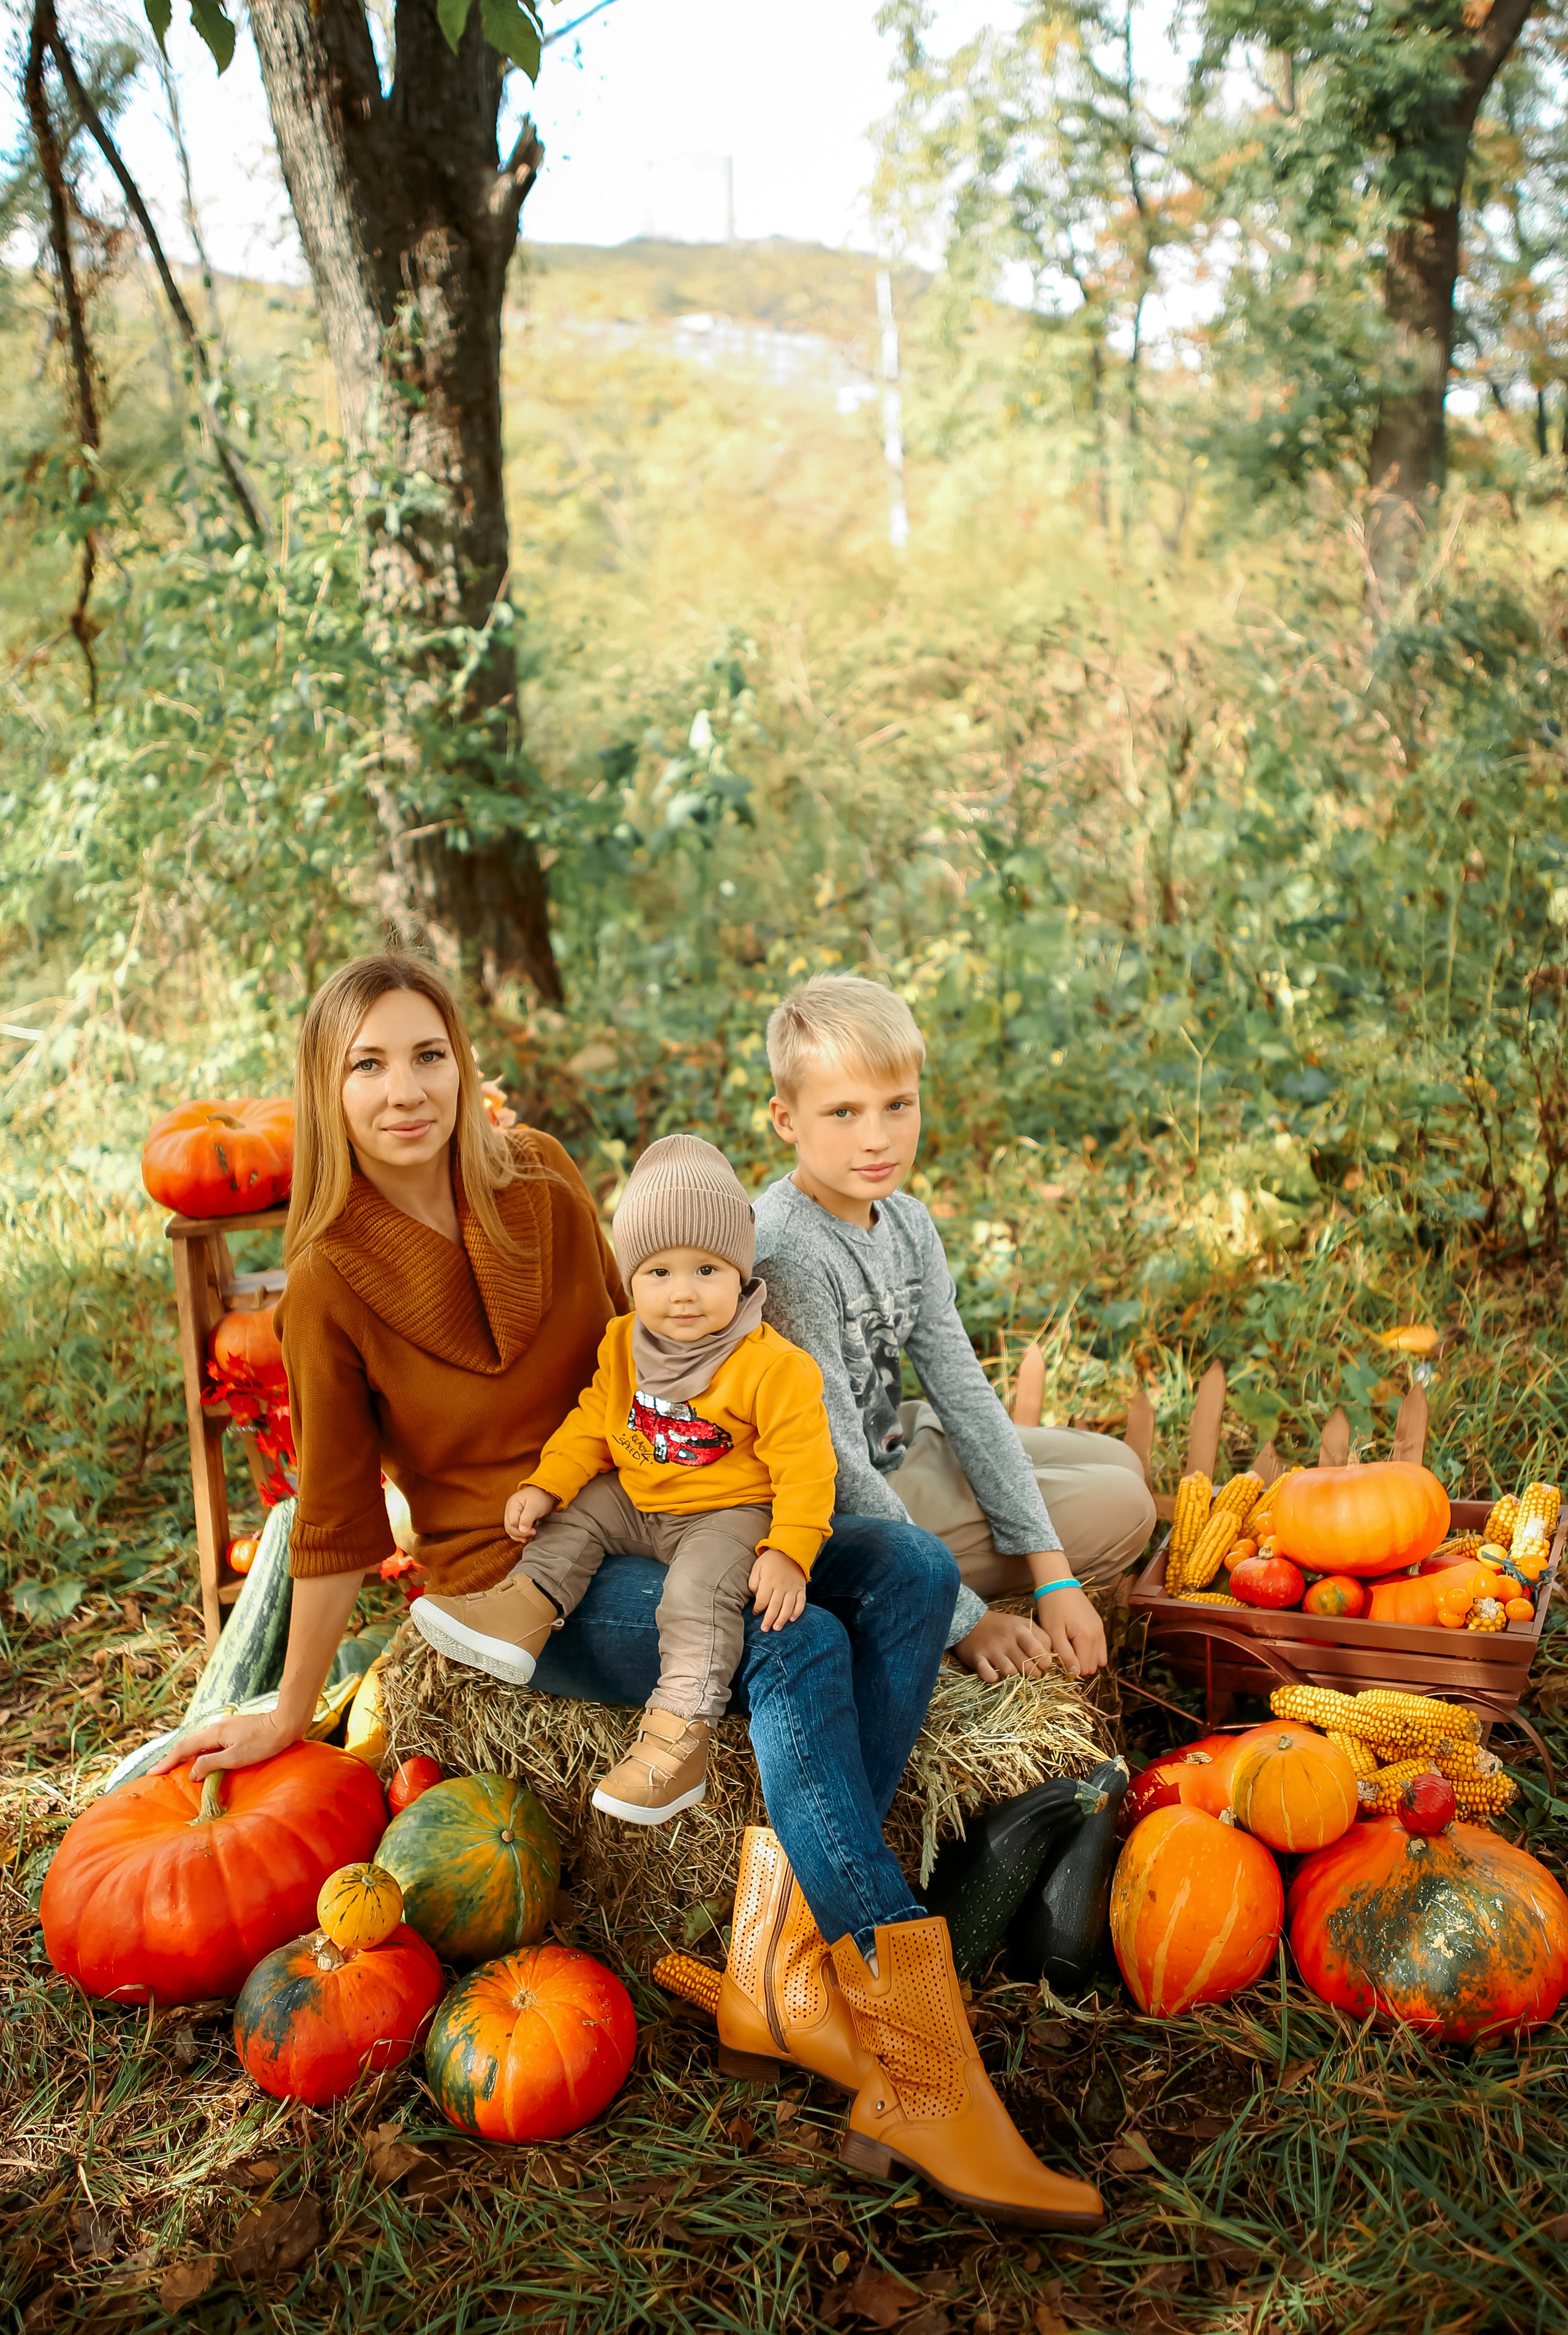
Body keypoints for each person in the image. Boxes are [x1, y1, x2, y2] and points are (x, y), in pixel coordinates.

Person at [154, 949, 1102, 2230]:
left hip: (668, 1496)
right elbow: (326, 1521)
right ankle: (924, 2069)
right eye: (366, 1064)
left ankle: (777, 1952)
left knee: (908, 1572)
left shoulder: (540, 1179)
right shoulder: (327, 1274)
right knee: (789, 1648)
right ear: (327, 1088)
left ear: (462, 1064)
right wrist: (288, 1703)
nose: (403, 1090)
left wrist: (757, 1479)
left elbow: (659, 1346)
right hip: (524, 1576)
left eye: (427, 1054)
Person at [417, 1132, 837, 1828]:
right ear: (631, 1280)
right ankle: (522, 1612)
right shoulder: (622, 1343)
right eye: (658, 1273)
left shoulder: (773, 1366)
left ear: (741, 1274)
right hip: (641, 1496)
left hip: (727, 1512)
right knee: (575, 1516)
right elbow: (591, 1424)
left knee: (693, 1597)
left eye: (707, 1271)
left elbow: (806, 1467)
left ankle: (678, 1741)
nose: (682, 1294)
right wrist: (547, 1484)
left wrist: (790, 1551)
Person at [754, 973, 1156, 1677]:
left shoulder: (904, 1222)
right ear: (786, 1120)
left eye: (897, 1105)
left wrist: (1053, 1574)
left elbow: (963, 1392)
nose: (877, 1138)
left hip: (894, 1438)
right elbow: (831, 1462)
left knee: (1121, 1465)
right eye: (843, 1113)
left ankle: (1019, 1536)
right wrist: (960, 1617)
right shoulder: (788, 1249)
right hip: (822, 1508)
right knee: (1126, 1507)